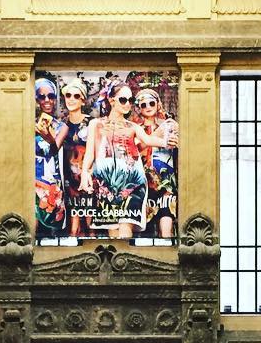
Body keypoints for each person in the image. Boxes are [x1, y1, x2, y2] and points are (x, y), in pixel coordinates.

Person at [80, 81, 174, 238]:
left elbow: (149, 140)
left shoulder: (133, 126)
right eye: (123, 100)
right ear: (111, 100)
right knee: (113, 233)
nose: (128, 104)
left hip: (133, 184)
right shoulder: (96, 124)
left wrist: (166, 141)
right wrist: (84, 172)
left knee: (125, 230)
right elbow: (90, 153)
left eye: (130, 101)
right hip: (107, 185)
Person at [134, 87, 179, 238]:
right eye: (143, 105)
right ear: (138, 108)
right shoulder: (135, 128)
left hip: (166, 182)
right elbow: (137, 148)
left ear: (158, 104)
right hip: (144, 184)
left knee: (167, 228)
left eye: (151, 103)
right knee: (144, 231)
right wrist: (159, 133)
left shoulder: (170, 125)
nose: (148, 107)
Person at [33, 77, 68, 238]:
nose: (47, 100)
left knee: (51, 229)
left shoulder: (61, 126)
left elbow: (54, 149)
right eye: (42, 96)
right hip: (32, 180)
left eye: (51, 96)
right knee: (30, 228)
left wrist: (47, 136)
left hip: (51, 183)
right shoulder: (27, 124)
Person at [59, 78, 93, 237]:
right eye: (68, 95)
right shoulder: (61, 125)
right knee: (73, 229)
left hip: (89, 177)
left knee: (91, 225)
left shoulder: (91, 123)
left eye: (76, 96)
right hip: (69, 180)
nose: (71, 99)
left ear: (83, 99)